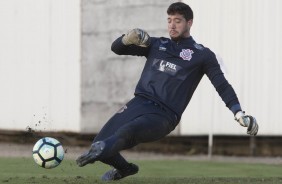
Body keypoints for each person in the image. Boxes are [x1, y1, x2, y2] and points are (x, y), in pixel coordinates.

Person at [76, 2, 259, 181]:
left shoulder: (202, 55)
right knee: (99, 144)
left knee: (125, 132)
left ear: (189, 23)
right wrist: (127, 38)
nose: (172, 25)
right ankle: (125, 169)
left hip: (164, 115)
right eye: (169, 20)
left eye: (177, 20)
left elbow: (222, 85)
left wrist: (238, 112)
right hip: (138, 104)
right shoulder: (156, 44)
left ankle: (105, 152)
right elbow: (117, 49)